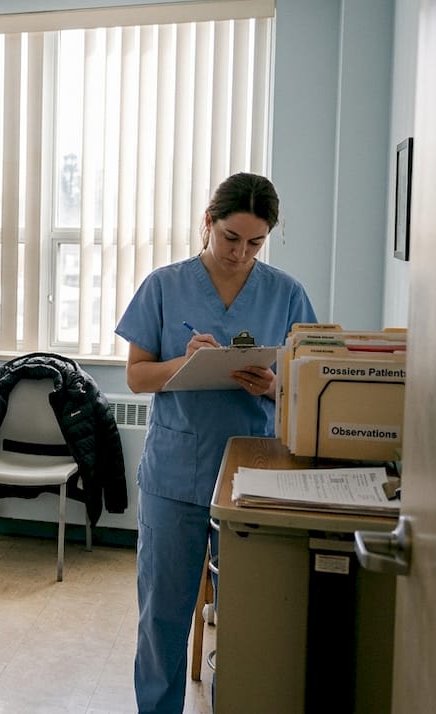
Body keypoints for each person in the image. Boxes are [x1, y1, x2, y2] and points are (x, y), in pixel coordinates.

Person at [114, 173, 317, 714]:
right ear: (208, 222)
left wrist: (275, 386)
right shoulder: (163, 285)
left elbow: (309, 386)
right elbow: (136, 377)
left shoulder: (286, 293)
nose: (240, 253)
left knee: (251, 622)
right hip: (176, 470)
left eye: (255, 243)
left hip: (253, 475)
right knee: (162, 616)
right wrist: (187, 364)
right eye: (231, 238)